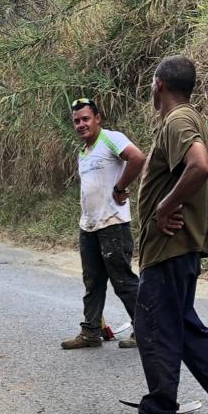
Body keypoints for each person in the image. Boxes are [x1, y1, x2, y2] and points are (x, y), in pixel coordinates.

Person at [116, 55, 208, 414]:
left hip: (171, 245)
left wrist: (165, 206)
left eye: (151, 82)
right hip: (177, 245)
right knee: (180, 324)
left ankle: (159, 413)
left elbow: (201, 165)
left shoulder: (177, 120)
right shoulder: (188, 118)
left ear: (159, 84)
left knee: (153, 326)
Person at [60, 97, 146, 351]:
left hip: (113, 224)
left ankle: (146, 330)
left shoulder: (111, 138)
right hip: (89, 226)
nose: (81, 124)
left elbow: (137, 158)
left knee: (123, 281)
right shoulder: (83, 152)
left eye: (86, 119)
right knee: (93, 281)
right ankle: (90, 332)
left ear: (98, 118)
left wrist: (120, 187)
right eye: (76, 121)